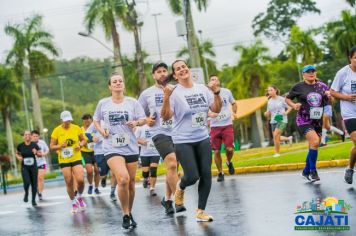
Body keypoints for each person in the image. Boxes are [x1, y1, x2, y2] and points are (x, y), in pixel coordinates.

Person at [161, 60, 222, 222]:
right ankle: (180, 187)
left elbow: (216, 109)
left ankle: (201, 211)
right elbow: (165, 116)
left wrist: (216, 93)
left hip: (202, 137)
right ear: (174, 75)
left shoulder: (202, 88)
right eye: (177, 69)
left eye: (183, 67)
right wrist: (166, 98)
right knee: (192, 176)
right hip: (183, 140)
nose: (182, 70)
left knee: (206, 174)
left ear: (188, 69)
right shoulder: (174, 92)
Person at [93, 73, 146, 229]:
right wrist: (102, 131)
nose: (118, 83)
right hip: (111, 147)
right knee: (122, 179)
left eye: (120, 81)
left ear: (123, 85)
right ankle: (124, 214)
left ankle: (129, 211)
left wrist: (136, 122)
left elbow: (143, 119)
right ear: (110, 86)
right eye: (114, 82)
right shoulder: (103, 103)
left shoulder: (132, 102)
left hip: (130, 146)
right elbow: (96, 120)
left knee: (130, 184)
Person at [138, 62, 179, 215]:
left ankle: (167, 199)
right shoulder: (146, 93)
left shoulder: (176, 89)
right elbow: (139, 114)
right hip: (159, 132)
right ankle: (179, 199)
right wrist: (146, 119)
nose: (162, 73)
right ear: (153, 75)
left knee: (172, 169)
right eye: (158, 72)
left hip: (177, 132)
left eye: (164, 71)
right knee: (172, 164)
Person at [286, 65, 330, 182]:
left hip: (317, 120)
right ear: (303, 74)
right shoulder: (298, 87)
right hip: (303, 120)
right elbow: (287, 98)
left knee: (313, 145)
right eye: (308, 72)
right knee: (315, 141)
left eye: (313, 71)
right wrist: (293, 105)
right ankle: (313, 171)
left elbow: (329, 101)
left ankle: (305, 170)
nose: (311, 73)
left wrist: (330, 96)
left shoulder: (322, 86)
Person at [50, 110, 87, 213]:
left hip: (76, 157)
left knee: (80, 180)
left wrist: (80, 145)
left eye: (69, 120)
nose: (67, 122)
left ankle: (79, 196)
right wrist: (59, 146)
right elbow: (52, 146)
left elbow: (84, 140)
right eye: (66, 121)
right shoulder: (56, 130)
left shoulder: (76, 128)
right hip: (64, 159)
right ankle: (73, 202)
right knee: (69, 181)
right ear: (62, 120)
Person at [330, 46, 356, 184]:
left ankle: (350, 168)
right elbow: (332, 91)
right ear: (350, 58)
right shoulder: (343, 73)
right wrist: (347, 97)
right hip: (349, 114)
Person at [208, 75, 237, 182]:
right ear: (209, 82)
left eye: (216, 79)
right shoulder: (207, 94)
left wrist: (234, 112)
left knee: (229, 149)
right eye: (212, 80)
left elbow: (233, 103)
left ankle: (229, 162)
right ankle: (220, 172)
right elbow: (205, 108)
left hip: (227, 125)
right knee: (216, 152)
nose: (214, 81)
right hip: (215, 126)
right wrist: (209, 113)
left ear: (219, 82)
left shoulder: (226, 92)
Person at [86, 121, 117, 201]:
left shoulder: (113, 120)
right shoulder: (96, 122)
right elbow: (87, 133)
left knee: (114, 173)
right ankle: (104, 178)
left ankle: (112, 193)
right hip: (100, 152)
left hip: (112, 150)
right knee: (102, 173)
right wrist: (92, 138)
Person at [264, 86, 293, 157]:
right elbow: (268, 112)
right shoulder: (269, 101)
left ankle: (277, 153)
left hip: (282, 119)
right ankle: (288, 138)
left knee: (275, 135)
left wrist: (286, 113)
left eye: (271, 90)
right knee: (276, 137)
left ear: (275, 90)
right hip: (273, 120)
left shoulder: (282, 99)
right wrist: (266, 113)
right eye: (268, 90)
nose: (269, 92)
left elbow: (290, 107)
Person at [16, 131, 41, 206]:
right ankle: (26, 193)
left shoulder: (34, 144)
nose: (27, 136)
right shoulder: (20, 146)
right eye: (25, 134)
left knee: (34, 184)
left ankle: (33, 200)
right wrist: (18, 157)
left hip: (33, 167)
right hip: (25, 167)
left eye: (29, 135)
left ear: (31, 136)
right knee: (26, 182)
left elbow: (40, 154)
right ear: (23, 136)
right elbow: (17, 153)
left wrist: (36, 152)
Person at [135, 124, 160, 196]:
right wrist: (143, 142)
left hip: (155, 153)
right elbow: (134, 139)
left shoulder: (158, 126)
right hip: (144, 153)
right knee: (145, 172)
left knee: (153, 170)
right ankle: (145, 178)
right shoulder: (141, 128)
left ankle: (152, 188)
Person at [81, 114, 100, 195]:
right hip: (85, 152)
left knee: (97, 170)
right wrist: (81, 143)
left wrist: (96, 140)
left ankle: (96, 187)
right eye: (84, 119)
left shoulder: (95, 127)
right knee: (89, 171)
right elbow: (78, 139)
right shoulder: (80, 129)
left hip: (95, 151)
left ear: (91, 119)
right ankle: (90, 185)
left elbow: (99, 137)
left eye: (88, 119)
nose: (86, 120)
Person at [31, 130, 49, 200]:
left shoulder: (42, 142)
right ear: (31, 137)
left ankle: (40, 193)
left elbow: (47, 150)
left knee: (40, 178)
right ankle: (37, 190)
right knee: (35, 180)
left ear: (38, 136)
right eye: (34, 136)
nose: (35, 137)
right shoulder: (29, 144)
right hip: (33, 164)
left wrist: (43, 154)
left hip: (42, 163)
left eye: (36, 136)